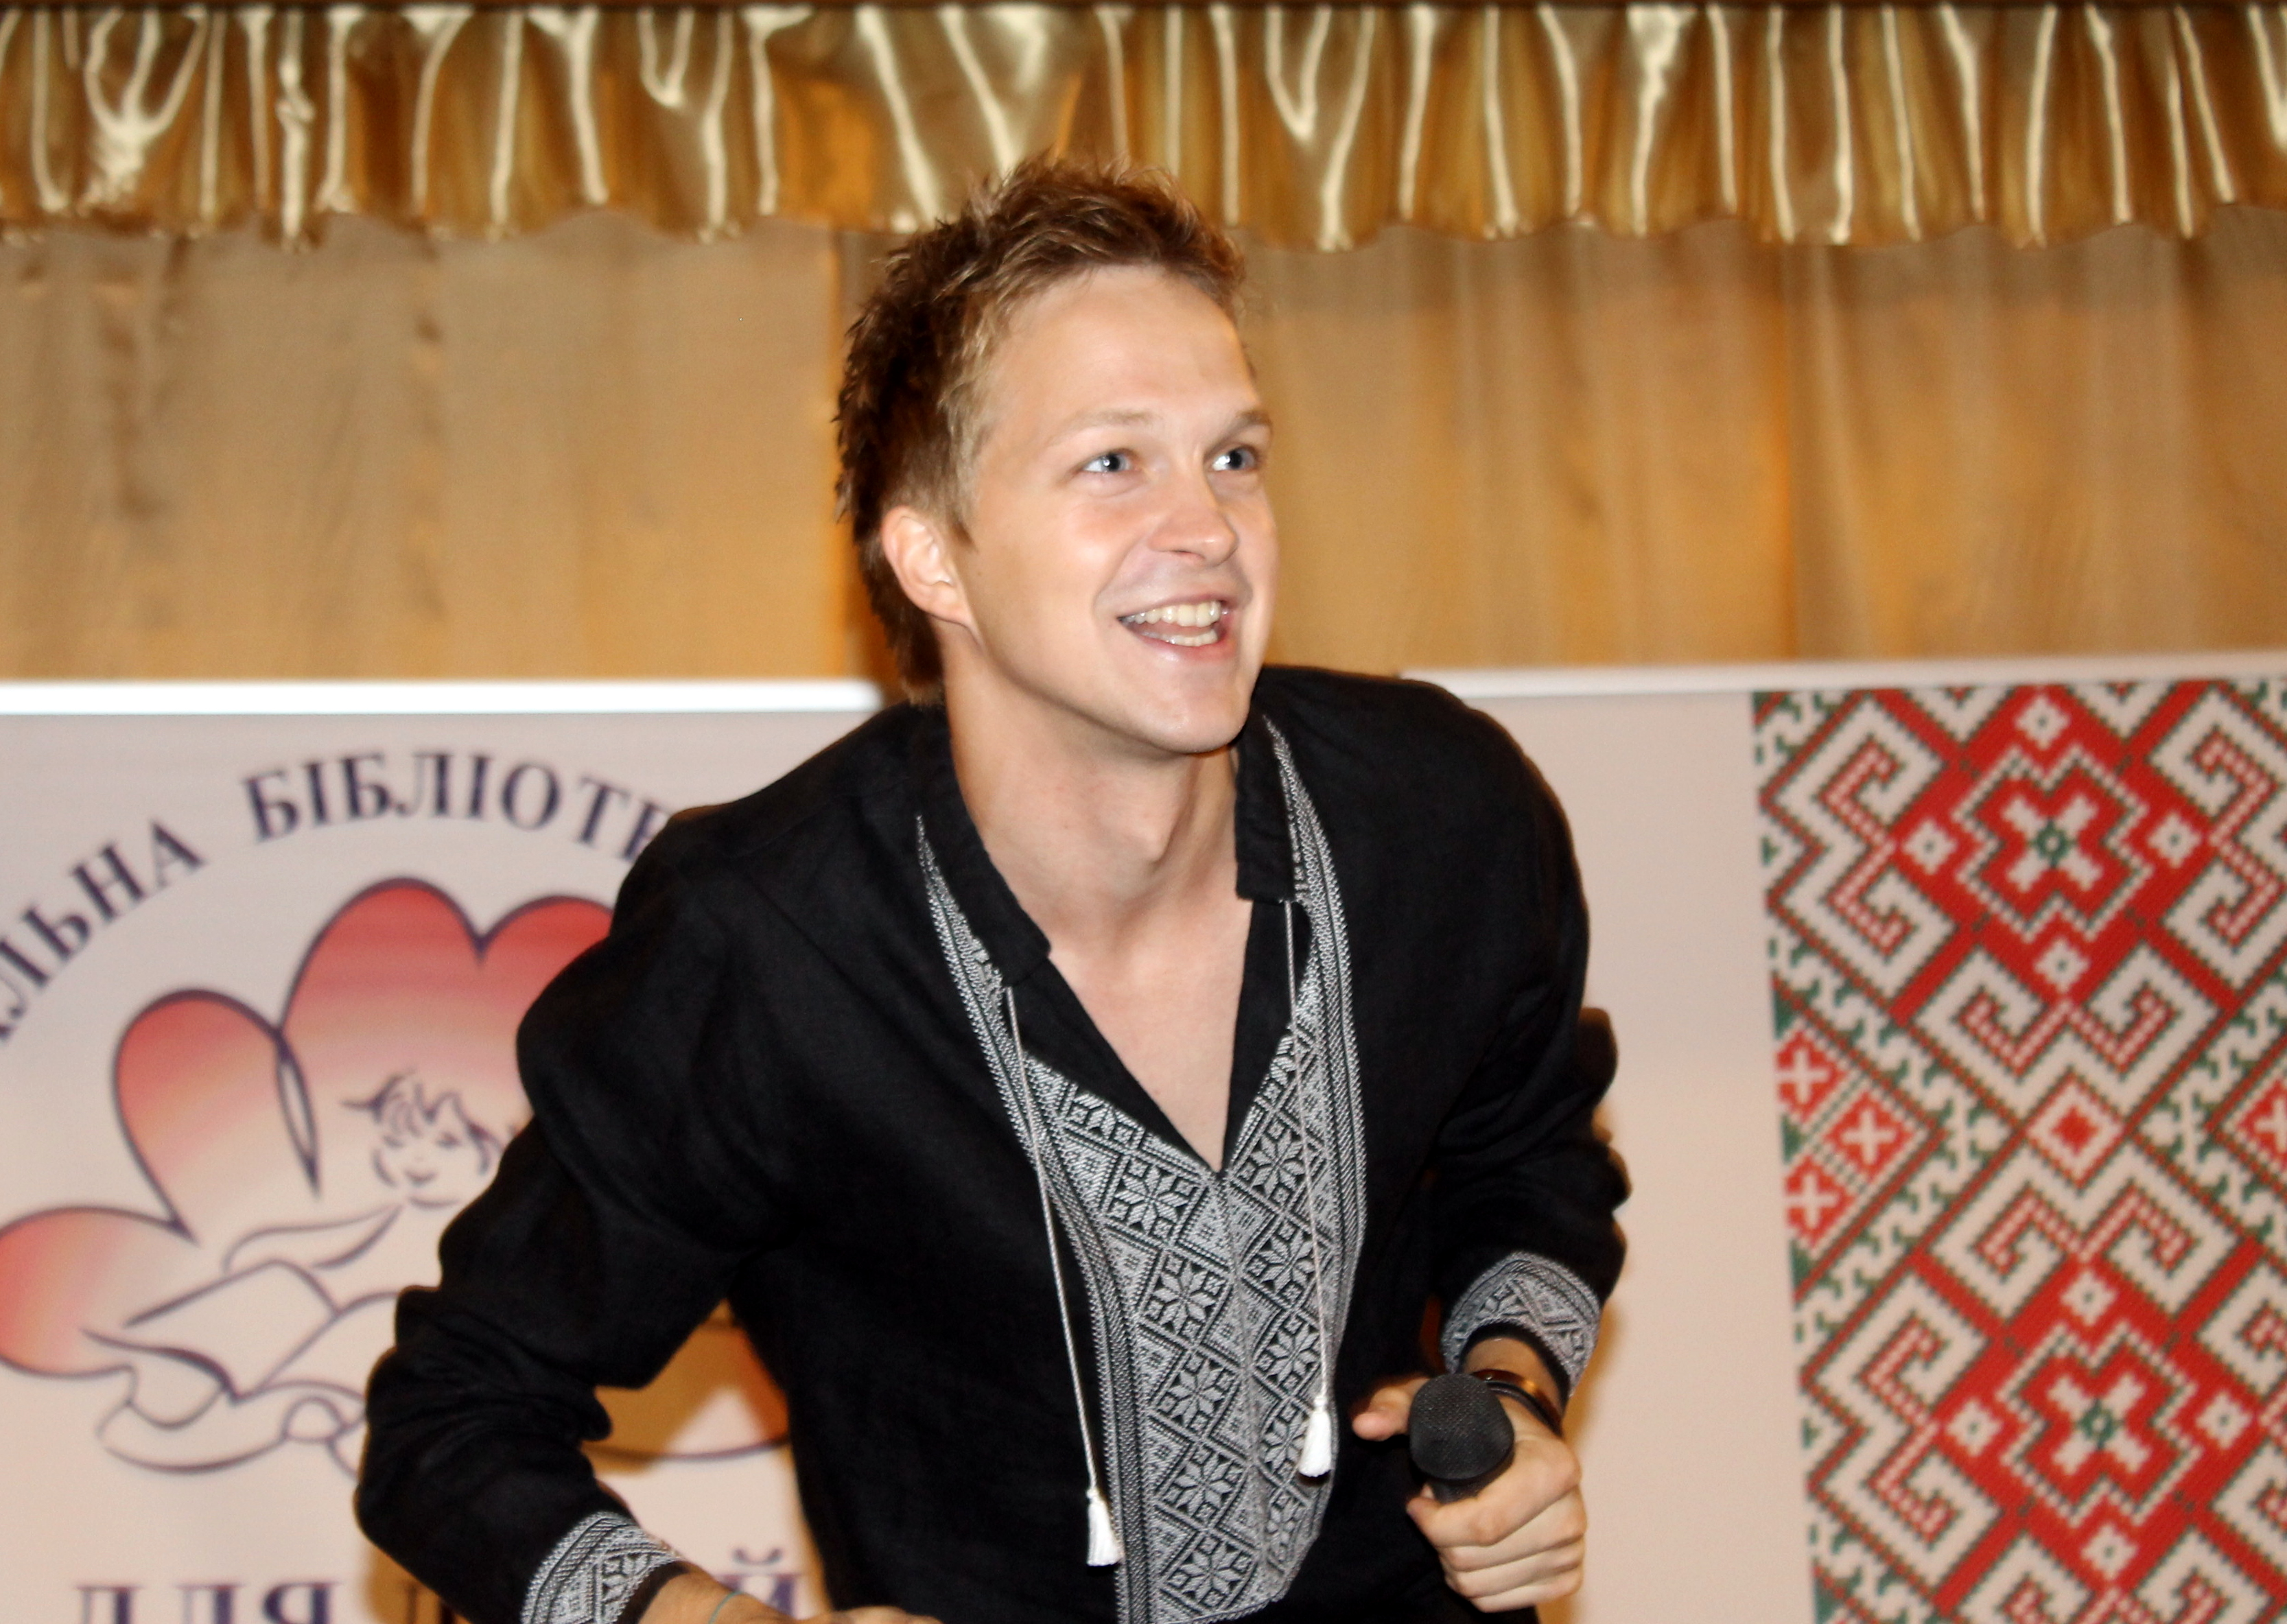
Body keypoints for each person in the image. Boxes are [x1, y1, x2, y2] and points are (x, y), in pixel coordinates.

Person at [356, 158, 1627, 1624]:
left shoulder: (1442, 819)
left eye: (1232, 456)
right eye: (1112, 463)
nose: (1209, 529)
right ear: (933, 558)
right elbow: (451, 1421)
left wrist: (1511, 1389)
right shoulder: (767, 948)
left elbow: (1530, 1160)